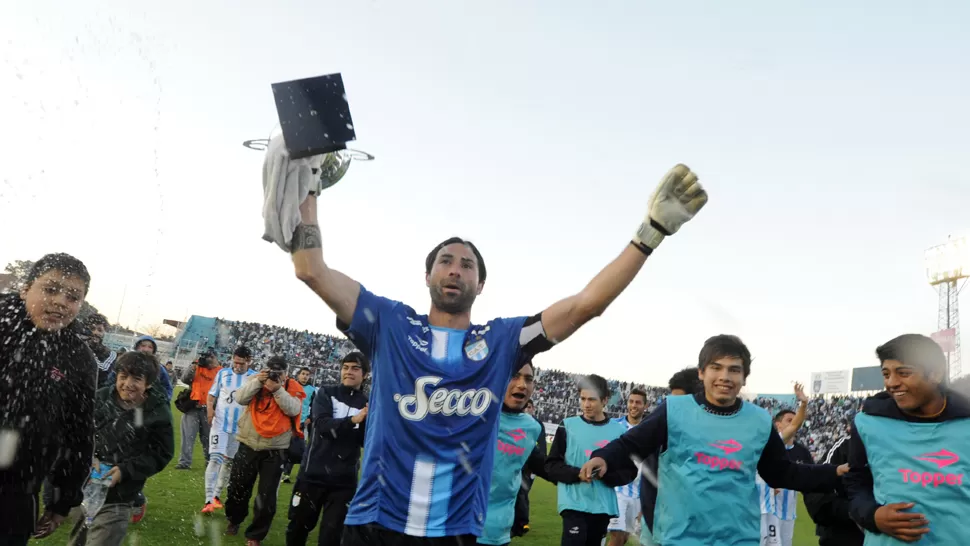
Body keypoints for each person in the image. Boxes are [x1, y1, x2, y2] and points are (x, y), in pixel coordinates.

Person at [286, 164, 708, 545]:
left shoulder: (503, 339)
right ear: (427, 275)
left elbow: (586, 305)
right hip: (374, 524)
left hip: (455, 531)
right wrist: (309, 189)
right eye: (446, 261)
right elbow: (311, 269)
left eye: (467, 265)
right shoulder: (389, 324)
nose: (455, 269)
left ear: (481, 284)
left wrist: (650, 231)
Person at [582, 335, 846, 546]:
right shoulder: (674, 409)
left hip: (738, 538)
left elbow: (781, 473)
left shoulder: (758, 421)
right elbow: (630, 443)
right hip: (679, 537)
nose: (725, 377)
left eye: (734, 370)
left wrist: (833, 472)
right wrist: (603, 457)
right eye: (716, 368)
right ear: (701, 373)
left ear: (744, 377)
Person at [0, 253, 97, 545]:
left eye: (72, 296)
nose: (60, 302)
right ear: (26, 288)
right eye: (51, 289)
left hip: (15, 496)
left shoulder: (79, 359)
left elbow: (78, 435)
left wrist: (61, 500)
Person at [844, 334, 970, 545]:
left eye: (904, 373)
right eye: (886, 374)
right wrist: (872, 515)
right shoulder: (869, 422)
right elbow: (856, 482)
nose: (892, 383)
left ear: (935, 374)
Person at [66, 351, 174, 546]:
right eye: (123, 377)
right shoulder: (99, 399)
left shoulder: (157, 411)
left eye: (137, 379)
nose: (128, 384)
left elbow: (161, 453)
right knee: (77, 541)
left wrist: (126, 470)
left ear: (148, 383)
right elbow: (75, 435)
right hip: (85, 488)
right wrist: (87, 458)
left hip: (121, 496)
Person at [285, 352, 369, 546]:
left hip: (343, 482)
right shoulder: (325, 392)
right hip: (312, 474)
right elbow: (322, 425)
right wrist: (353, 421)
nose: (349, 372)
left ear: (364, 375)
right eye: (345, 367)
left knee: (332, 536)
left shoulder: (368, 403)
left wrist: (367, 420)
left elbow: (365, 440)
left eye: (355, 368)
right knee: (298, 528)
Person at [225, 356, 305, 545]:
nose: (275, 374)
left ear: (286, 373)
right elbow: (240, 398)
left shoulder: (292, 387)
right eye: (271, 370)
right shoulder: (255, 380)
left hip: (275, 449)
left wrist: (277, 389)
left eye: (280, 372)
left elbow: (293, 409)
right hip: (248, 442)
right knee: (238, 487)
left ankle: (255, 535)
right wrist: (258, 382)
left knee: (266, 495)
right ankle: (234, 520)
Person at [545, 375, 633, 546]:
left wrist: (606, 475)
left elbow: (629, 471)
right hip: (573, 504)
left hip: (602, 507)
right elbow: (551, 465)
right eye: (583, 399)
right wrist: (578, 474)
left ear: (605, 399)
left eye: (592, 399)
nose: (586, 404)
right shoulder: (567, 425)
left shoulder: (619, 431)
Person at [479, 361, 552, 546]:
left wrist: (578, 473)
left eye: (528, 379)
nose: (522, 384)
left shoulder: (531, 427)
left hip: (499, 533)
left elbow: (543, 465)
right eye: (514, 376)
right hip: (460, 528)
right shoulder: (473, 415)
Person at [635, 367, 705, 546]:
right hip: (658, 524)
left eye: (678, 401)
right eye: (670, 400)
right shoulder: (658, 429)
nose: (671, 407)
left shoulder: (710, 437)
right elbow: (649, 480)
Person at [754, 383, 811, 546]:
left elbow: (794, 426)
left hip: (772, 511)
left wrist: (804, 404)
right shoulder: (744, 445)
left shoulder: (773, 443)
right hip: (756, 511)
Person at [201, 346, 256, 513]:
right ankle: (208, 499)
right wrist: (210, 411)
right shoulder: (223, 374)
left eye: (242, 363)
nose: (238, 366)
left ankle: (217, 495)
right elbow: (211, 396)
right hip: (221, 424)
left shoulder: (253, 378)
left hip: (239, 428)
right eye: (236, 362)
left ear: (249, 361)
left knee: (229, 462)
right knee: (215, 458)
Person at [804, 436, 863, 546]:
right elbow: (815, 499)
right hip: (843, 538)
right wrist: (853, 511)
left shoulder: (898, 449)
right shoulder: (845, 446)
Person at [607, 387, 647, 546]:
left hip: (637, 493)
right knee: (616, 536)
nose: (634, 405)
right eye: (631, 401)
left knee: (623, 538)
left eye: (638, 402)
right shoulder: (615, 426)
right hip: (617, 491)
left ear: (645, 405)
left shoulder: (649, 429)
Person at [175, 352, 220, 469]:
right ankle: (184, 462)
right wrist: (193, 365)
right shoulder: (197, 367)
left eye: (211, 360)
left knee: (208, 438)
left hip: (209, 409)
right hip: (193, 408)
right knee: (188, 437)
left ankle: (210, 462)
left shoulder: (220, 371)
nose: (209, 363)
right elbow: (185, 379)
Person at [511, 398, 546, 538]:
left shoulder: (537, 424)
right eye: (527, 407)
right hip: (517, 463)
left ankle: (522, 522)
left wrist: (538, 465)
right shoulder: (517, 422)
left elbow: (542, 445)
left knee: (523, 492)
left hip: (530, 466)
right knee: (517, 492)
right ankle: (519, 521)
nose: (528, 409)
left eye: (530, 407)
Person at [282, 366, 316, 484]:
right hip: (288, 421)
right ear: (298, 375)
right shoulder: (290, 385)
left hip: (301, 424)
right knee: (283, 446)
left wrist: (309, 418)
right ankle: (281, 469)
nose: (305, 376)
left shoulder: (312, 390)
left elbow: (314, 407)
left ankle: (286, 473)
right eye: (303, 374)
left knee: (296, 450)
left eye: (307, 374)